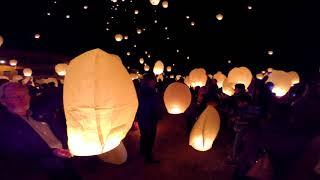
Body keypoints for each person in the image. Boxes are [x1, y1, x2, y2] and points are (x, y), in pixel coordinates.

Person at [0, 82, 80, 180]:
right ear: (3, 101)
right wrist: (52, 152)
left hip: (66, 158)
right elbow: (17, 155)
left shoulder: (39, 111)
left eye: (24, 95)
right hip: (41, 170)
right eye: (15, 97)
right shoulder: (5, 125)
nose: (22, 99)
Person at [136, 73, 162, 163]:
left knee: (144, 136)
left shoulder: (140, 90)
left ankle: (142, 151)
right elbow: (154, 105)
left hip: (142, 118)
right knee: (150, 138)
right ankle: (148, 157)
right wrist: (158, 114)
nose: (155, 82)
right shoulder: (151, 92)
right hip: (150, 118)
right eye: (154, 80)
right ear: (150, 81)